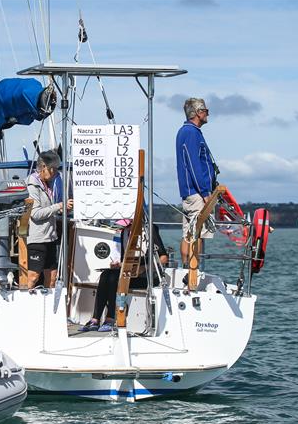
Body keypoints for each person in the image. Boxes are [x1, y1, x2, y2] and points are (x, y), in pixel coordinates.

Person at [79, 219, 169, 332]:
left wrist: (143, 268)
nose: (127, 228)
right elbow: (124, 258)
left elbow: (163, 257)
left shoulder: (150, 229)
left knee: (113, 278)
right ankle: (95, 319)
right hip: (129, 273)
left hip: (145, 276)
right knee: (105, 275)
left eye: (129, 225)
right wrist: (117, 264)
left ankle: (111, 318)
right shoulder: (124, 233)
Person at [176, 97, 217, 265]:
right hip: (197, 193)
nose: (208, 114)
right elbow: (194, 165)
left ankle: (187, 271)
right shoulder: (191, 133)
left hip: (191, 192)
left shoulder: (187, 132)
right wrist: (205, 193)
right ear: (198, 113)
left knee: (189, 233)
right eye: (206, 111)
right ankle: (192, 272)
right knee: (196, 233)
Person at [25, 151, 73, 288]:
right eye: (54, 169)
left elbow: (49, 209)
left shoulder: (47, 183)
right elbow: (36, 214)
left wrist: (62, 209)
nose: (56, 173)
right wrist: (59, 206)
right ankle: (28, 304)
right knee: (33, 277)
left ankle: (47, 307)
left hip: (50, 238)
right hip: (37, 239)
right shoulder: (32, 185)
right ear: (44, 167)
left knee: (52, 277)